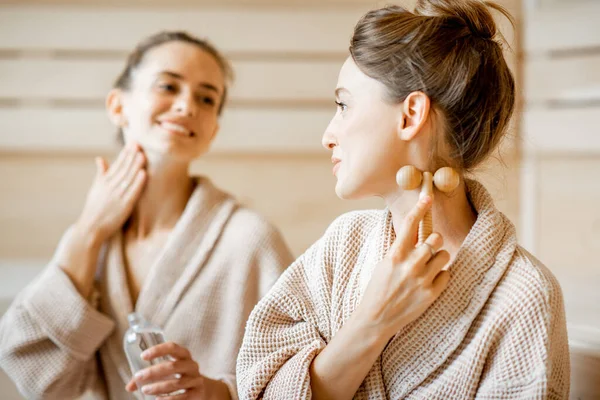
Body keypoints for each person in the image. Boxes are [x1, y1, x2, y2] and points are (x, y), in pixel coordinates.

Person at [236, 1, 570, 398]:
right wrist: (371, 321)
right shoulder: (341, 248)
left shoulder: (524, 296)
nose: (328, 135)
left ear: (410, 114)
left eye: (344, 105)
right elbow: (262, 390)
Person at [0, 31, 293, 400]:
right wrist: (88, 230)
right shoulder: (94, 246)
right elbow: (38, 379)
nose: (187, 106)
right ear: (117, 106)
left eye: (206, 98)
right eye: (168, 86)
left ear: (212, 131)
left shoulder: (251, 239)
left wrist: (214, 392)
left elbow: (300, 378)